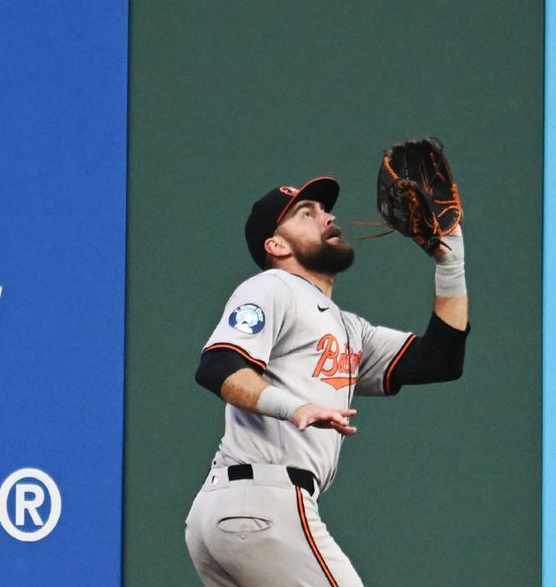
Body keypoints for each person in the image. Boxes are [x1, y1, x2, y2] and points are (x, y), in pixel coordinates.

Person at [185, 176, 469, 587]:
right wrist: (294, 407)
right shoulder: (273, 287)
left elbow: (439, 360)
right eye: (306, 213)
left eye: (323, 209)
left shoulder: (347, 327)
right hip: (263, 501)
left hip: (230, 514)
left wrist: (450, 261)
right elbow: (218, 367)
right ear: (277, 245)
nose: (327, 216)